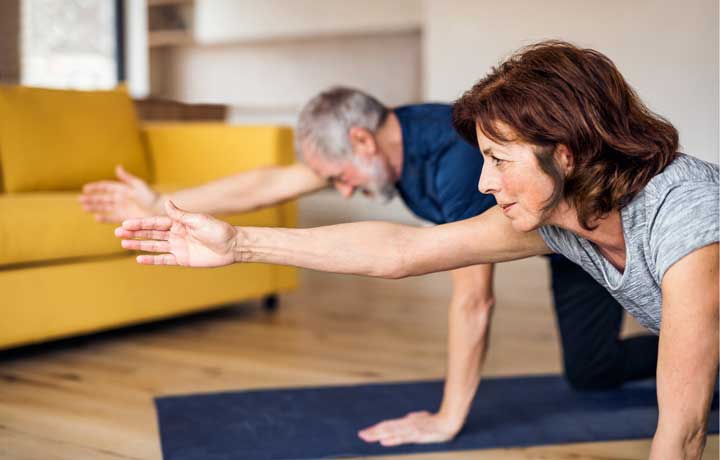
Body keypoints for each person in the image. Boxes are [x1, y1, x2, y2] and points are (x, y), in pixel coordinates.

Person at [94, 79, 661, 447]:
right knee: (592, 371)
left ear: (362, 141)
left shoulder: (458, 167)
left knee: (599, 364)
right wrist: (163, 202)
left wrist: (447, 417)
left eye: (340, 177)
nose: (342, 190)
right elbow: (272, 181)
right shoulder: (385, 134)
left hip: (589, 226)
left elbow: (473, 299)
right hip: (548, 234)